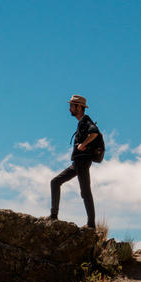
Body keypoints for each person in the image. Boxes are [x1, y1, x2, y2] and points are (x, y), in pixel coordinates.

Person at [49, 94, 97, 227]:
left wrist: (83, 144)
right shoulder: (81, 122)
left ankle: (91, 225)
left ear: (79, 108)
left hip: (82, 163)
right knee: (55, 182)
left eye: (72, 106)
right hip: (77, 163)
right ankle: (53, 215)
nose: (70, 108)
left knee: (85, 192)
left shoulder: (86, 121)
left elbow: (94, 132)